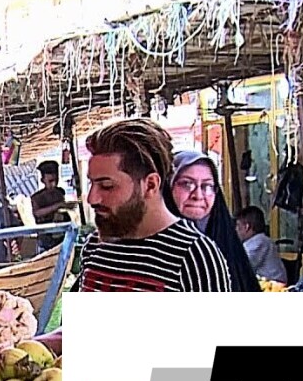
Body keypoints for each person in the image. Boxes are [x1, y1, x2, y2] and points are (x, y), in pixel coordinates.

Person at [74, 118, 231, 292]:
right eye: (91, 184)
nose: (92, 198)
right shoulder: (94, 246)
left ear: (150, 185)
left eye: (107, 186)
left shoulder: (195, 256)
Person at [165, 150, 260, 292]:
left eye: (207, 186)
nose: (198, 195)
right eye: (187, 184)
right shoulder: (156, 246)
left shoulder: (227, 242)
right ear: (168, 187)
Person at [236, 205, 288, 284]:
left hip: (272, 286)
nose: (236, 229)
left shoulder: (259, 241)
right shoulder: (256, 241)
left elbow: (241, 267)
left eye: (238, 225)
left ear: (247, 227)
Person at [31, 160, 68, 252]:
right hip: (45, 242)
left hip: (61, 239)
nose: (54, 184)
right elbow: (37, 213)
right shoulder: (37, 198)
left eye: (56, 180)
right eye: (50, 181)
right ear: (42, 180)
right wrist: (57, 206)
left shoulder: (60, 193)